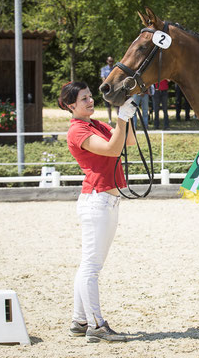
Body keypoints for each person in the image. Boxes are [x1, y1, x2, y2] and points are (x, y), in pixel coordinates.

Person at [58, 81, 137, 343]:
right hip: (98, 199)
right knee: (91, 267)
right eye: (84, 99)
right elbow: (113, 150)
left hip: (108, 200)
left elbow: (129, 142)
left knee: (89, 265)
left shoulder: (95, 124)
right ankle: (96, 325)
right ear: (71, 106)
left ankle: (80, 320)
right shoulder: (78, 131)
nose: (90, 101)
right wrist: (121, 119)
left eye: (90, 97)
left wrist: (127, 115)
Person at [100, 56, 118, 124]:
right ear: (107, 61)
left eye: (112, 61)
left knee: (117, 105)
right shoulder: (104, 69)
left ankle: (118, 118)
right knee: (108, 105)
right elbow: (103, 79)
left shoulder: (115, 69)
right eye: (109, 61)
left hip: (114, 89)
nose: (111, 62)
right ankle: (110, 119)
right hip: (107, 89)